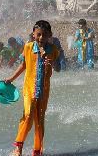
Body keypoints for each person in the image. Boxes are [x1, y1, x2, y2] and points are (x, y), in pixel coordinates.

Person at [4, 20, 61, 156]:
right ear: (34, 35)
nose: (41, 38)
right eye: (39, 34)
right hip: (29, 88)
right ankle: (18, 147)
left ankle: (37, 151)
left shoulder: (53, 50)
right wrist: (11, 78)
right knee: (28, 114)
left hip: (43, 91)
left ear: (50, 35)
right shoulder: (28, 47)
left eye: (44, 35)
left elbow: (58, 68)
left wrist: (52, 63)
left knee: (39, 120)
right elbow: (23, 65)